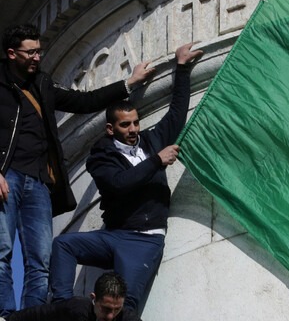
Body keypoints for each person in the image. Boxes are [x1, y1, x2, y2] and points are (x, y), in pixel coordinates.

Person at [0, 24, 154, 316]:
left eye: (39, 51)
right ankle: (5, 314)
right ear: (11, 53)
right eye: (30, 52)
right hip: (6, 176)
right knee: (2, 251)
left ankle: (33, 316)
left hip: (39, 182)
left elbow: (85, 101)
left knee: (40, 259)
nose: (37, 57)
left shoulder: (43, 83)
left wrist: (128, 83)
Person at [49, 42, 203, 313]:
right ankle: (62, 309)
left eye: (135, 122)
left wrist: (181, 68)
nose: (133, 129)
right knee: (63, 245)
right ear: (110, 129)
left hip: (145, 239)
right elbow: (118, 184)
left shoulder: (151, 140)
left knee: (126, 306)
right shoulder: (100, 157)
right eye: (125, 125)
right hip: (114, 235)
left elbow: (177, 113)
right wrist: (156, 161)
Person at [4, 271, 140, 321]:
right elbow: (39, 313)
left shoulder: (127, 318)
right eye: (106, 309)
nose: (110, 316)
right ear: (93, 298)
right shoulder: (76, 308)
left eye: (117, 309)